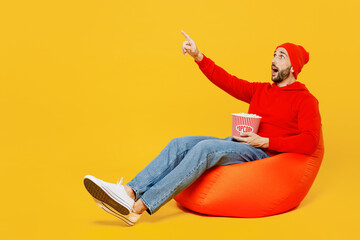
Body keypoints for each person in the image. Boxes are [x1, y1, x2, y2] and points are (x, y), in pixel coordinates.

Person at [83, 30, 321, 226]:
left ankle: (139, 207)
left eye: (280, 56)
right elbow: (227, 81)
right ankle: (129, 192)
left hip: (263, 154)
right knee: (179, 143)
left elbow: (310, 142)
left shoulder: (305, 100)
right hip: (240, 142)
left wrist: (264, 142)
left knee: (205, 149)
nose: (273, 60)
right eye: (274, 55)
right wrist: (198, 56)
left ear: (293, 67)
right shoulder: (261, 90)